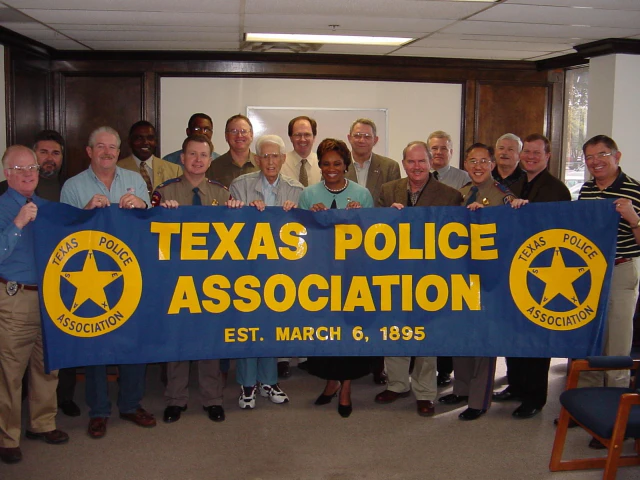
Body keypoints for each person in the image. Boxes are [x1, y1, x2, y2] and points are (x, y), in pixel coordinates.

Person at [60, 126, 156, 439]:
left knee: (133, 340)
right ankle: (99, 411)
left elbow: (149, 227)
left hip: (130, 274)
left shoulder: (135, 180)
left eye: (112, 147)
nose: (107, 152)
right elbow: (63, 233)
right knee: (95, 345)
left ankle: (130, 404)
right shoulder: (73, 186)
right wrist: (85, 213)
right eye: (100, 147)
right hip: (89, 279)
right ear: (89, 152)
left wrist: (142, 207)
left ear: (118, 152)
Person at [375, 141, 463, 417]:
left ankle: (425, 392)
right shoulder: (388, 190)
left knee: (426, 334)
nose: (416, 167)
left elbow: (456, 238)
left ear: (431, 162)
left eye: (421, 161)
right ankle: (397, 383)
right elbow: (373, 231)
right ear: (403, 164)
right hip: (395, 274)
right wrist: (387, 218)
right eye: (411, 162)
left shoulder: (450, 195)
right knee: (394, 330)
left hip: (430, 276)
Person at [154, 134, 232, 423]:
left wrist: (236, 213)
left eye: (203, 155)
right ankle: (176, 399)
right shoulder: (165, 192)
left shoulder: (222, 194)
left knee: (210, 339)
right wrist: (160, 214)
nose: (198, 160)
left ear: (210, 161)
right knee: (177, 338)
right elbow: (150, 233)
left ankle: (213, 398)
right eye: (192, 154)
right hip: (176, 278)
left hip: (210, 279)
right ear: (182, 158)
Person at [492, 133, 571, 419]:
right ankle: (516, 385)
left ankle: (535, 396)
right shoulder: (515, 185)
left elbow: (556, 228)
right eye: (527, 152)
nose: (531, 157)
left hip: (543, 272)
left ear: (548, 156)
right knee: (514, 332)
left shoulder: (556, 189)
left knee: (536, 336)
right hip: (513, 268)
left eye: (537, 153)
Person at [0, 145, 69, 465]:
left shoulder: (45, 207)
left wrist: (92, 209)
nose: (28, 174)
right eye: (20, 169)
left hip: (50, 298)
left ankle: (42, 423)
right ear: (7, 174)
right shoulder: (3, 207)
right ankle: (7, 436)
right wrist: (17, 224)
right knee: (10, 372)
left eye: (32, 168)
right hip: (16, 299)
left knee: (47, 365)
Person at [438, 143, 516, 421]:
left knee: (484, 339)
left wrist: (485, 218)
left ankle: (479, 399)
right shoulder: (458, 194)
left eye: (484, 161)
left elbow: (510, 235)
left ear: (492, 165)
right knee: (460, 334)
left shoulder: (503, 196)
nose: (478, 166)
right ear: (466, 165)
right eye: (473, 161)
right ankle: (461, 388)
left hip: (489, 278)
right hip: (460, 276)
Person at [299, 138, 373, 418]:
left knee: (350, 330)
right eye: (326, 163)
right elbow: (300, 237)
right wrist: (310, 218)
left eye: (337, 164)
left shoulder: (361, 194)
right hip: (320, 275)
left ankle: (346, 388)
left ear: (346, 165)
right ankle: (331, 380)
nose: (332, 169)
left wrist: (360, 218)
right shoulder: (308, 194)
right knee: (326, 330)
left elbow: (374, 236)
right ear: (320, 165)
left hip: (353, 274)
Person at [229, 134, 303, 409]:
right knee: (248, 325)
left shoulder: (297, 190)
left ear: (283, 159)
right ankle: (247, 384)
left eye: (275, 156)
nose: (270, 161)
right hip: (247, 268)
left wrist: (296, 213)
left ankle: (269, 381)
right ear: (257, 159)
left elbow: (305, 233)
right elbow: (230, 226)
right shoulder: (240, 185)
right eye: (265, 156)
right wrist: (244, 213)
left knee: (271, 325)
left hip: (280, 270)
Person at [577, 135, 640, 449]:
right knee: (590, 340)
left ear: (617, 156)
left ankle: (615, 422)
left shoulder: (635, 190)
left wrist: (633, 218)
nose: (595, 162)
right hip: (590, 274)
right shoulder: (587, 190)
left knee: (616, 345)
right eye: (589, 157)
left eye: (601, 155)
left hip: (620, 270)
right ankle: (586, 411)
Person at [346, 118, 401, 385]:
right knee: (352, 305)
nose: (361, 140)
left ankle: (378, 366)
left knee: (379, 307)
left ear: (375, 140)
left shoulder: (389, 167)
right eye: (357, 135)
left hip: (380, 246)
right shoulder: (337, 164)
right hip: (348, 247)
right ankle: (351, 364)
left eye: (367, 136)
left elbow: (393, 203)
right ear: (349, 138)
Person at [278, 116, 322, 378]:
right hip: (286, 240)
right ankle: (283, 355)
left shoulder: (323, 163)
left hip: (315, 241)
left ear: (314, 136)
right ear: (290, 137)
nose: (302, 139)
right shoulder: (281, 162)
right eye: (297, 134)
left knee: (309, 294)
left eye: (307, 134)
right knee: (284, 294)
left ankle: (306, 352)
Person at [426, 130, 470, 386]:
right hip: (423, 256)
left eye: (444, 148)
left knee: (447, 317)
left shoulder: (463, 178)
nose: (439, 153)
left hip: (450, 255)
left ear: (451, 152)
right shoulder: (417, 177)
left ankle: (445, 370)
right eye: (434, 148)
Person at [118, 121, 182, 196]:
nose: (145, 142)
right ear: (130, 141)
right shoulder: (117, 168)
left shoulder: (174, 170)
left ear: (156, 141)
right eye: (139, 138)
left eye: (150, 138)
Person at [206, 114, 258, 187]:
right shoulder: (214, 167)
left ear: (251, 135)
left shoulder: (262, 164)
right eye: (234, 131)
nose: (239, 135)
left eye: (243, 131)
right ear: (226, 136)